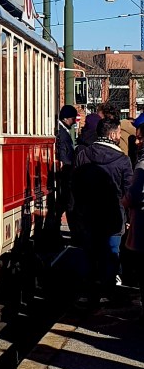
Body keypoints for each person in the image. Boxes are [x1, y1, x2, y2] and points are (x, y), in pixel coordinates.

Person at [72, 116, 133, 306]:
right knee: (112, 253)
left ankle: (88, 291)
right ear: (114, 134)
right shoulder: (123, 161)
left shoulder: (82, 155)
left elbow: (75, 184)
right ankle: (108, 290)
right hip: (113, 216)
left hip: (87, 215)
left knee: (89, 253)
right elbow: (128, 190)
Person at [124, 121, 144, 320]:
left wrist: (125, 200)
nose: (136, 141)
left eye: (140, 137)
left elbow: (134, 195)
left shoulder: (142, 165)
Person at [54, 104, 77, 240]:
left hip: (66, 172)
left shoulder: (63, 130)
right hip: (66, 173)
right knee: (66, 203)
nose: (74, 122)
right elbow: (63, 152)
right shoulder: (62, 133)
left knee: (64, 203)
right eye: (73, 118)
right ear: (66, 118)